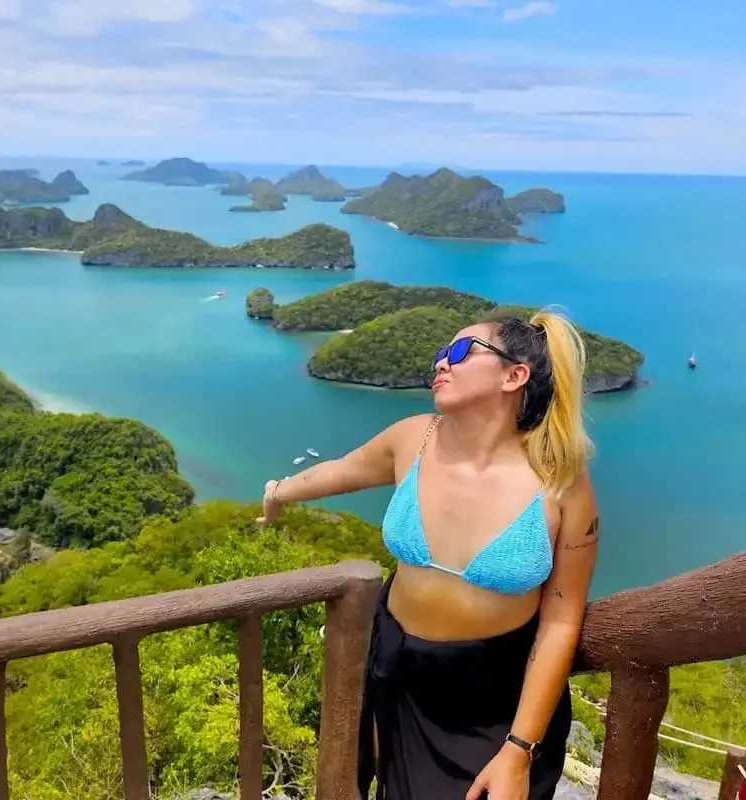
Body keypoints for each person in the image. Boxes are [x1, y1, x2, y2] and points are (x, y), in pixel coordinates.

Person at [257, 309, 600, 800]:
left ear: (514, 375)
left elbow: (562, 622)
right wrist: (278, 492)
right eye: (441, 353)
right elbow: (339, 471)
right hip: (396, 668)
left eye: (460, 352)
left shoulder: (561, 482)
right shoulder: (414, 438)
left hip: (492, 703)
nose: (442, 362)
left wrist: (519, 748)